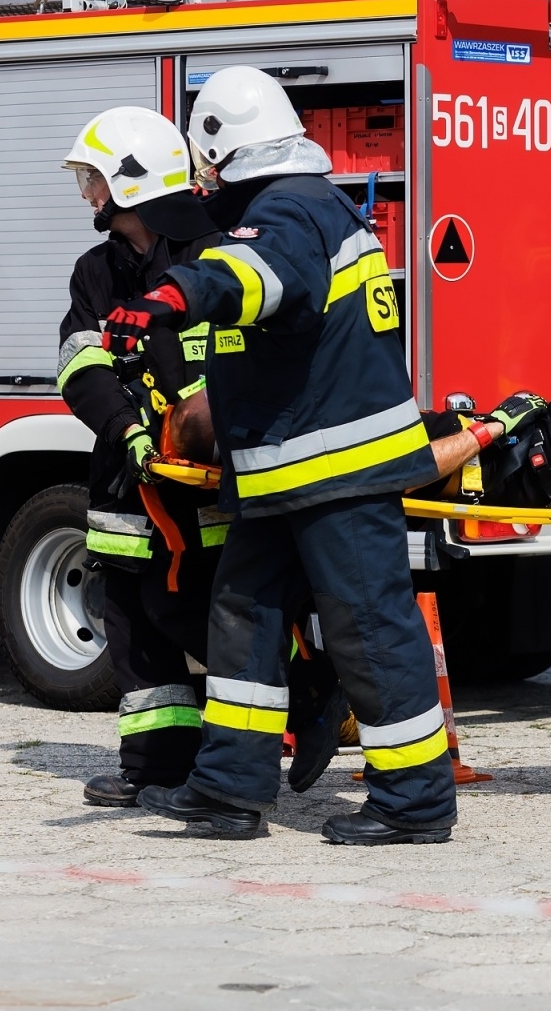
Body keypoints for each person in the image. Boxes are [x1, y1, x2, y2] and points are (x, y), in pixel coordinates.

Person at [100, 67, 452, 844]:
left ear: (226, 157)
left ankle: (416, 801)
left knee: (368, 629)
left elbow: (253, 278)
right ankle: (229, 788)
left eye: (204, 168)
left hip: (336, 470)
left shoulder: (287, 212)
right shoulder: (309, 206)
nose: (201, 186)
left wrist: (171, 296)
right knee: (243, 614)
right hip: (288, 470)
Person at [56, 107, 232, 808]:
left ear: (132, 183)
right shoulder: (94, 273)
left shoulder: (210, 261)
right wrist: (127, 428)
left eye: (95, 180)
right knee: (126, 613)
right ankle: (157, 764)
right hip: (125, 482)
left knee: (196, 611)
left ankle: (305, 693)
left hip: (203, 487)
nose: (90, 196)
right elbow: (78, 365)